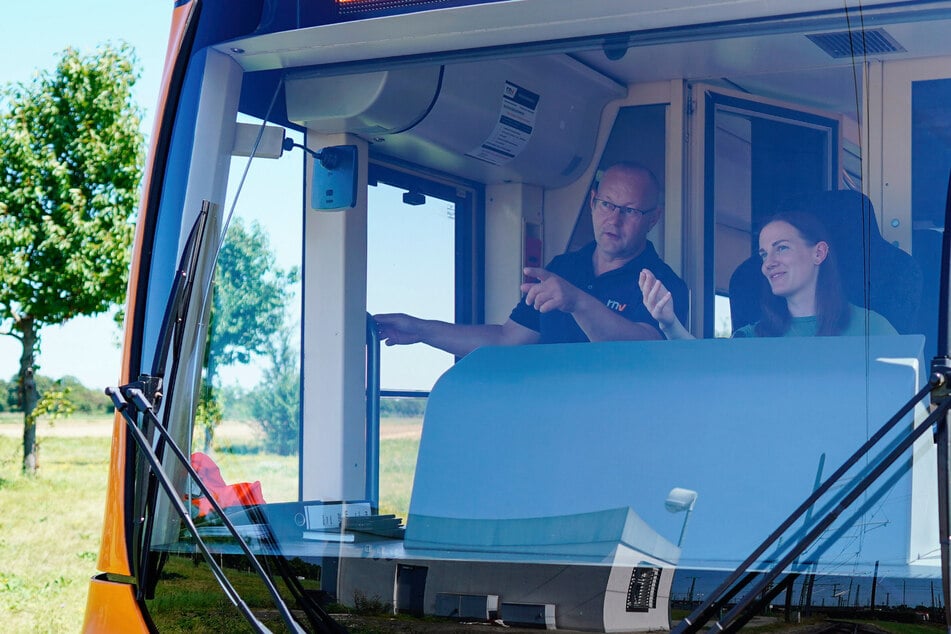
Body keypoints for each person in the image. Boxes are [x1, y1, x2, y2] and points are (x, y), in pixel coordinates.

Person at [374, 162, 689, 356]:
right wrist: (420, 330)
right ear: (593, 203)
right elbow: (505, 339)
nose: (614, 220)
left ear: (653, 218)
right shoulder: (564, 269)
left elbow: (647, 351)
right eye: (607, 204)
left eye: (630, 211)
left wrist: (577, 302)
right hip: (552, 428)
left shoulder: (664, 285)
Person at [640, 209, 897, 338]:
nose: (768, 263)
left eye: (781, 248)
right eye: (763, 254)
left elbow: (910, 408)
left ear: (818, 253)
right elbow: (706, 373)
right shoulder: (754, 338)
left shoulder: (872, 330)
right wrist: (669, 323)